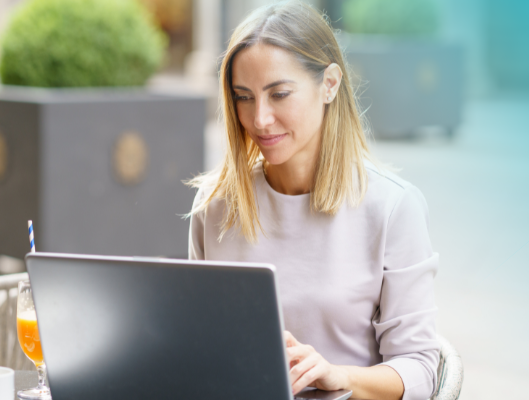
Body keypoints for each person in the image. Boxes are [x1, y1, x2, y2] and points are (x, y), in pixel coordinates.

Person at [187, 2, 439, 400]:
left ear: (330, 84)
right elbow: (198, 344)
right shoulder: (215, 204)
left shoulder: (392, 207)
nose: (260, 119)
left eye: (279, 94)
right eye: (243, 97)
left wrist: (341, 376)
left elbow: (423, 369)